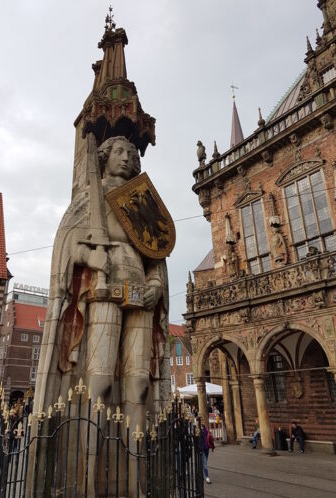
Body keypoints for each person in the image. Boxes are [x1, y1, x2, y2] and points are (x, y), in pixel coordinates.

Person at [34, 135, 171, 496]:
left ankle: (136, 480)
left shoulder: (142, 201)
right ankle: (88, 482)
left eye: (131, 153)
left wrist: (157, 284)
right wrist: (87, 256)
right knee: (99, 384)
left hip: (141, 292)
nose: (127, 158)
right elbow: (67, 244)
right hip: (104, 291)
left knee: (138, 385)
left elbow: (156, 255)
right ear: (105, 158)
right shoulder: (89, 199)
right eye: (120, 152)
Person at [199, 420, 215, 484]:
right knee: (205, 464)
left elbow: (210, 439)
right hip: (201, 449)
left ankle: (201, 474)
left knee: (204, 462)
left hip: (206, 449)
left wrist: (212, 447)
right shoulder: (198, 431)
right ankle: (207, 477)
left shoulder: (207, 431)